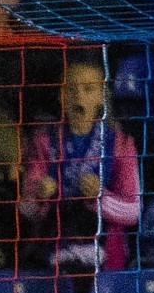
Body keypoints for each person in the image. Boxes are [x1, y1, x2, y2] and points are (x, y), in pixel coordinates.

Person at [18, 58, 140, 281]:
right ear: (60, 96)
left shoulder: (120, 143)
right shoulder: (43, 140)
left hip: (104, 260)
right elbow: (24, 210)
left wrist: (100, 198)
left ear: (100, 97)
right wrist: (38, 194)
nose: (79, 97)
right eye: (71, 89)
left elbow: (133, 211)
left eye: (88, 89)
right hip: (49, 254)